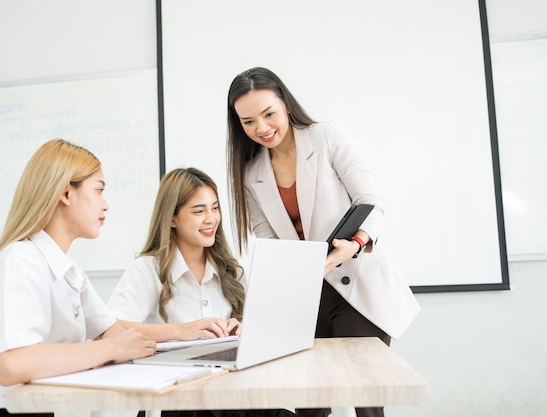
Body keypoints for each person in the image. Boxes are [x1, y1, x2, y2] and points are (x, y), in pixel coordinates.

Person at [225, 67, 420, 417]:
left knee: (366, 400)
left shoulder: (324, 136)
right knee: (309, 404)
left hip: (356, 283)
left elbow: (370, 202)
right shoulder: (250, 172)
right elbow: (269, 242)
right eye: (249, 121)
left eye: (269, 114)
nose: (262, 128)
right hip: (306, 295)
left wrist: (355, 243)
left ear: (285, 103)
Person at [0, 139, 156, 417]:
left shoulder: (67, 270)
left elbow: (114, 332)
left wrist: (179, 335)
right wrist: (109, 349)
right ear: (67, 193)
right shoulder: (21, 260)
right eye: (99, 190)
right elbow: (11, 365)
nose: (106, 205)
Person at [108, 167, 295, 417]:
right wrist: (180, 331)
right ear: (172, 219)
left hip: (231, 396)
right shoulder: (146, 270)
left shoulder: (232, 271)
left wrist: (242, 329)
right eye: (199, 211)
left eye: (214, 208)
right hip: (175, 401)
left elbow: (257, 335)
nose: (211, 219)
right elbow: (110, 330)